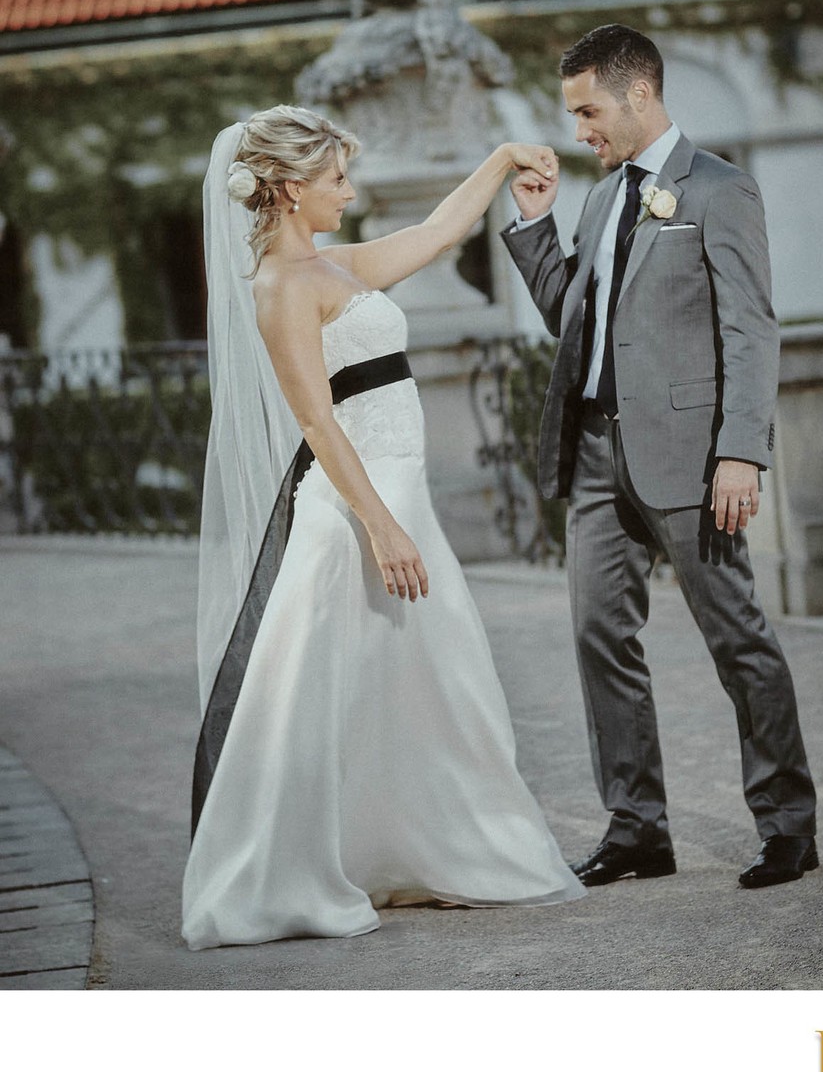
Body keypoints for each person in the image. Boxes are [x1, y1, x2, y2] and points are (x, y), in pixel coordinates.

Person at [181, 104, 584, 949]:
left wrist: (502, 157)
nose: (349, 191)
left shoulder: (338, 265)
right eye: (335, 179)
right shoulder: (280, 287)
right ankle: (282, 875)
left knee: (429, 687)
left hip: (402, 505)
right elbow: (319, 425)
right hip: (353, 520)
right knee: (324, 698)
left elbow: (439, 233)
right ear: (290, 190)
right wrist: (381, 528)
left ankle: (419, 850)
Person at [501, 24, 817, 891]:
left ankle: (789, 824)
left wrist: (741, 454)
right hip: (597, 456)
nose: (579, 131)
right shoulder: (602, 199)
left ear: (638, 92)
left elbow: (752, 330)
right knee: (600, 634)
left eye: (588, 110)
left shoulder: (720, 190)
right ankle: (638, 828)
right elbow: (575, 320)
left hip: (692, 458)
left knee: (735, 637)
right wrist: (536, 227)